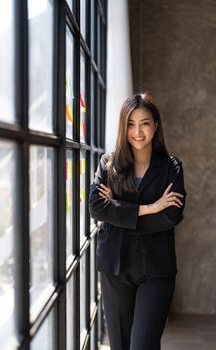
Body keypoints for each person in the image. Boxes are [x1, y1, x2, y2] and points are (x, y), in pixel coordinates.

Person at [88, 92, 187, 350]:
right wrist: (150, 208)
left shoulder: (171, 168)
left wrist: (119, 212)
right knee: (120, 346)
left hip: (156, 269)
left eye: (145, 123)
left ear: (155, 125)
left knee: (142, 345)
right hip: (115, 268)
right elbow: (96, 207)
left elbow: (170, 216)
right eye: (131, 124)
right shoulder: (108, 165)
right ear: (123, 127)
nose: (138, 131)